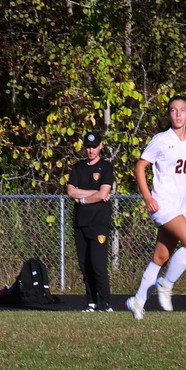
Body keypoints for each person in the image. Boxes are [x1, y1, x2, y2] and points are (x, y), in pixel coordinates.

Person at [126, 96, 186, 319]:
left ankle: (137, 301)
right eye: (173, 110)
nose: (178, 114)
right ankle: (166, 284)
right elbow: (140, 167)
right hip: (162, 203)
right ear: (169, 115)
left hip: (180, 206)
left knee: (161, 257)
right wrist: (147, 197)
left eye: (182, 110)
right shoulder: (161, 139)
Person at [67, 132, 115, 312]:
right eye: (88, 147)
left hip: (99, 223)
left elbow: (104, 194)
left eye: (94, 147)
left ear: (100, 146)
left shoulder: (106, 167)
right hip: (81, 223)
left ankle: (105, 303)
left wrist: (83, 197)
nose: (91, 150)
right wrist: (93, 194)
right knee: (85, 265)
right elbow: (71, 191)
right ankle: (91, 302)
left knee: (98, 265)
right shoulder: (78, 167)